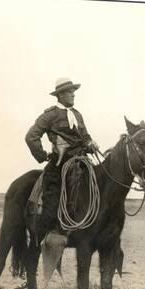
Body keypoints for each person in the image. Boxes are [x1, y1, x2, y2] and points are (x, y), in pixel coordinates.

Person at [25, 78, 99, 238]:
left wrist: (90, 143)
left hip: (81, 160)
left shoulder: (77, 115)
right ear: (60, 95)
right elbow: (31, 136)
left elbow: (85, 136)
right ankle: (46, 232)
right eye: (70, 91)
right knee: (52, 199)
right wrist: (43, 155)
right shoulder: (50, 115)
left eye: (73, 91)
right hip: (60, 164)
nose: (73, 94)